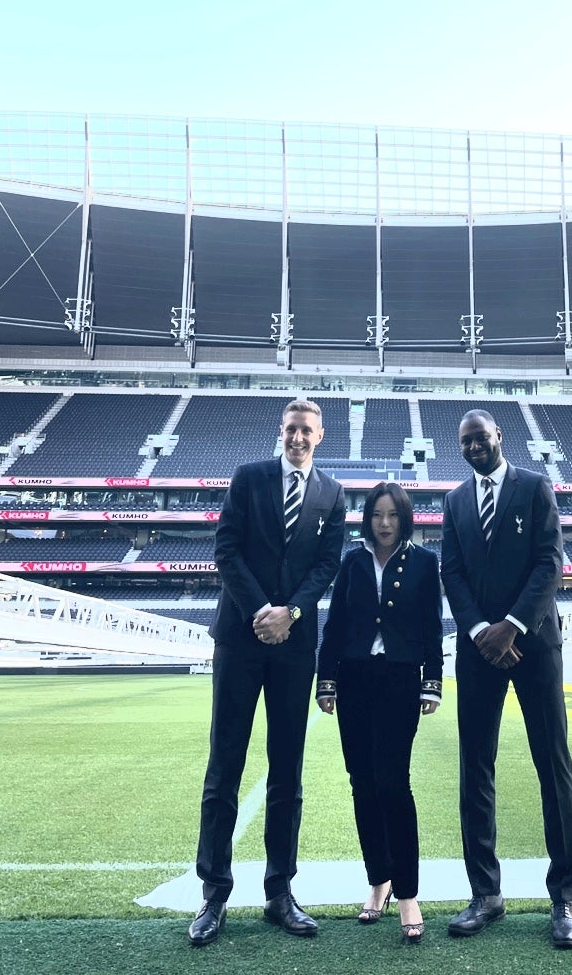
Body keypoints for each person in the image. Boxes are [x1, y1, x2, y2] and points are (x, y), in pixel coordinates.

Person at [188, 399, 346, 947]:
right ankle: (214, 894)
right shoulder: (249, 477)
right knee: (224, 764)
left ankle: (280, 891)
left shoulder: (331, 493)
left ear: (320, 436)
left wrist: (292, 613)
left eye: (306, 430)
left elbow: (327, 564)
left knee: (288, 771)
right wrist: (263, 612)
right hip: (241, 637)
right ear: (280, 433)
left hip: (294, 645)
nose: (297, 437)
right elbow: (226, 550)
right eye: (290, 429)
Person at [440, 409, 572, 949]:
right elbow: (450, 571)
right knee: (475, 767)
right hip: (479, 651)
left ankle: (564, 897)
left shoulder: (535, 487)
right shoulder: (455, 501)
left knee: (553, 762)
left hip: (535, 645)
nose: (474, 447)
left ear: (499, 437)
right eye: (465, 442)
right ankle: (486, 893)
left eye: (481, 438)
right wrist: (481, 630)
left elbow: (550, 562)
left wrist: (512, 626)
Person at [316, 482, 443, 943]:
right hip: (353, 681)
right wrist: (325, 680)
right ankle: (378, 882)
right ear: (366, 518)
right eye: (376, 515)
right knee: (362, 784)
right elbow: (336, 623)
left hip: (400, 681)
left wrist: (432, 683)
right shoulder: (352, 560)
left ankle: (408, 892)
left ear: (404, 517)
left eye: (392, 515)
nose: (384, 523)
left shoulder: (426, 563)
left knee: (393, 782)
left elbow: (431, 625)